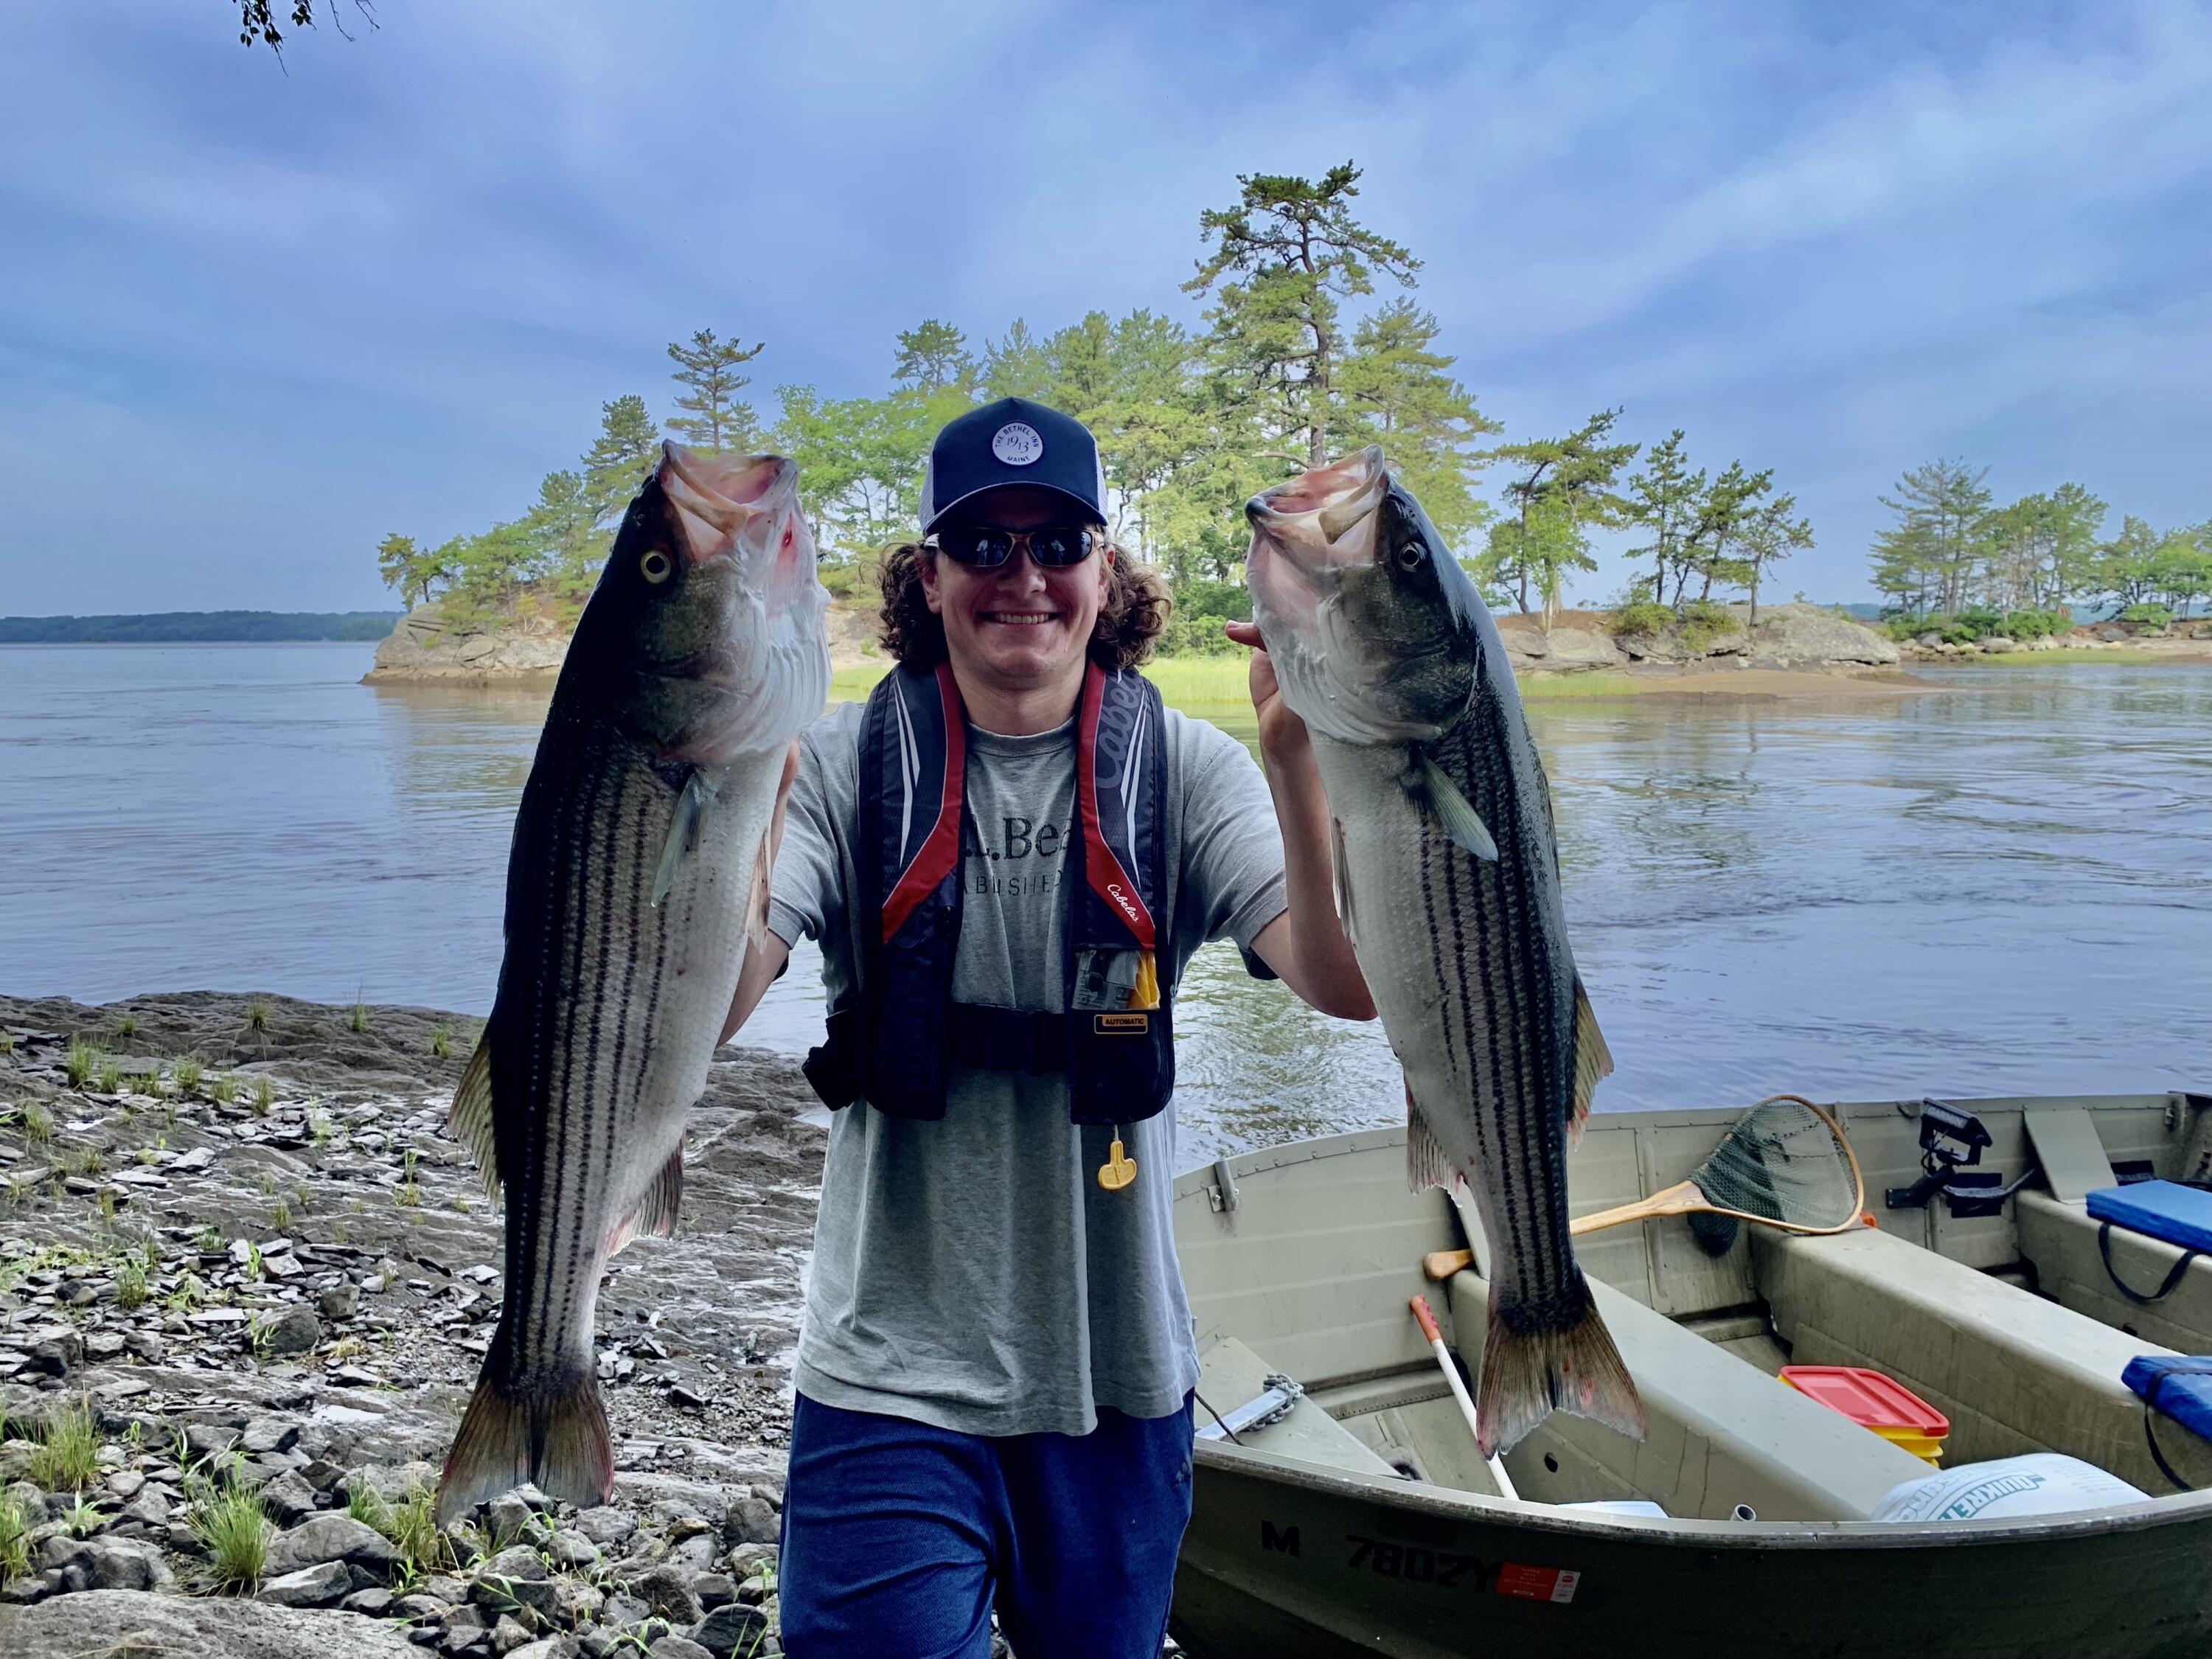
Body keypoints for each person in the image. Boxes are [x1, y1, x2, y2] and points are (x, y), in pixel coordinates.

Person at [721, 397, 1372, 1658]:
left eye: (1057, 542)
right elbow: (722, 994)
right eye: (983, 547)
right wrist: (725, 792)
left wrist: (1298, 755)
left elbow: (1345, 986)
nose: (1022, 578)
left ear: (1103, 567)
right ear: (930, 576)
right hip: (887, 1372)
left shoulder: (1188, 768)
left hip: (1117, 1377)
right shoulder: (844, 761)